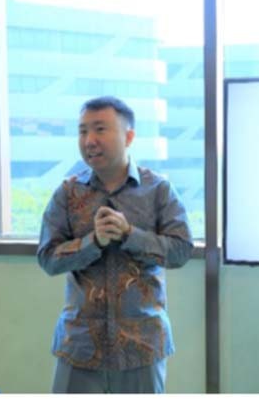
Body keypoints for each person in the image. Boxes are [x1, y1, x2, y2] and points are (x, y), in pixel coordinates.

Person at [37, 96, 193, 393]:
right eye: (83, 131)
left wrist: (129, 235)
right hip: (79, 345)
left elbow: (181, 250)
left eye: (100, 129)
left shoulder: (158, 190)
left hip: (141, 345)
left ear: (129, 136)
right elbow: (47, 258)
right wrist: (92, 242)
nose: (89, 140)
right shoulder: (68, 192)